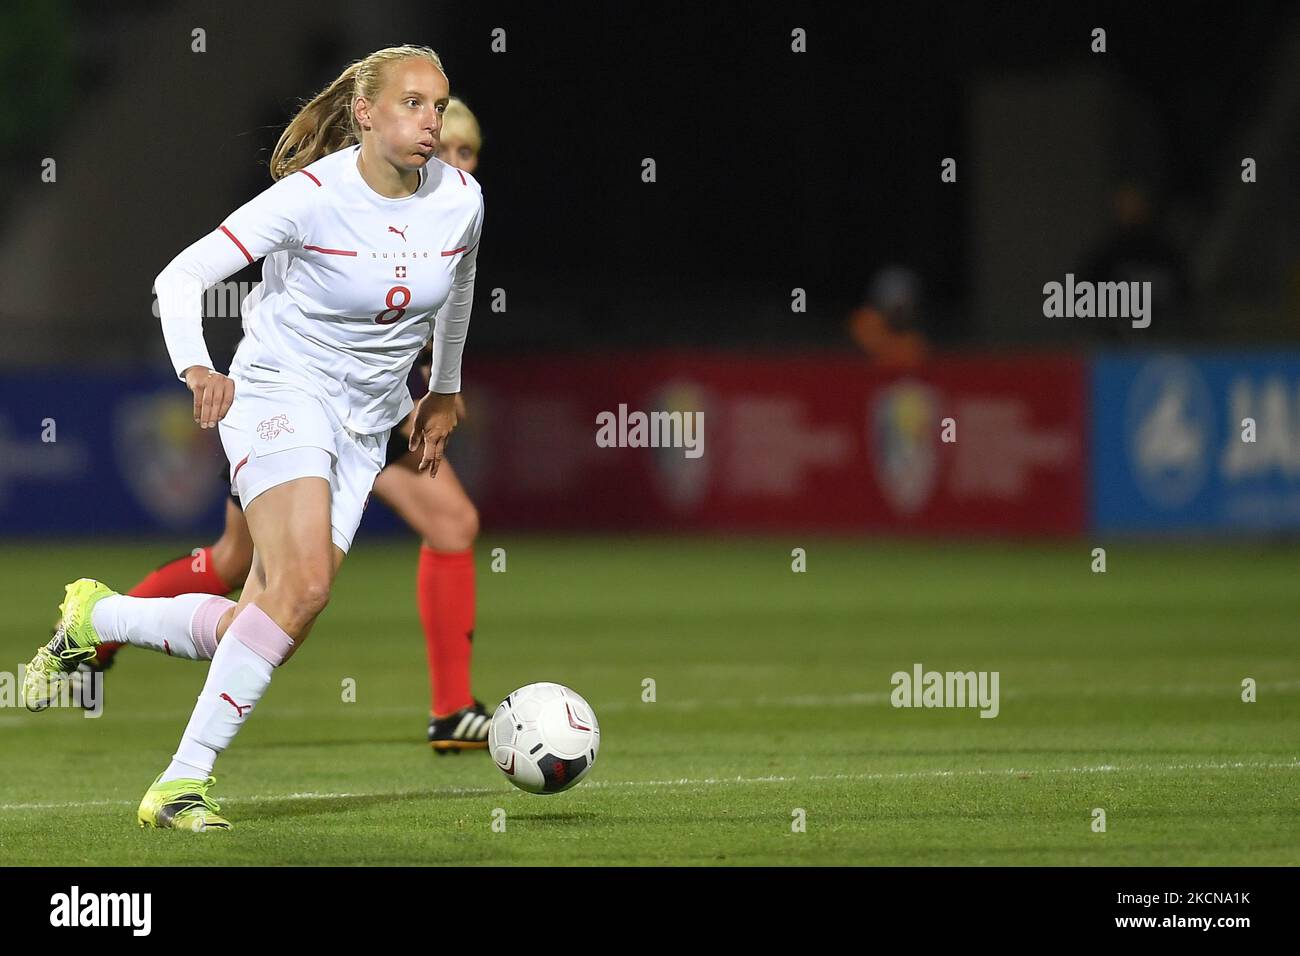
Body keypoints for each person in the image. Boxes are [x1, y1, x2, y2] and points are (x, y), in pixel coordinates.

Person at [23, 44, 484, 831]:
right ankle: (181, 785)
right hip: (280, 390)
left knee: (275, 614)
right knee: (301, 582)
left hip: (366, 423)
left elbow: (460, 284)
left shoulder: (461, 198)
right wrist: (199, 369)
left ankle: (102, 618)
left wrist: (443, 387)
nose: (430, 122)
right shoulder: (310, 197)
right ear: (366, 113)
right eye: (413, 104)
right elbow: (180, 279)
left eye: (438, 106)